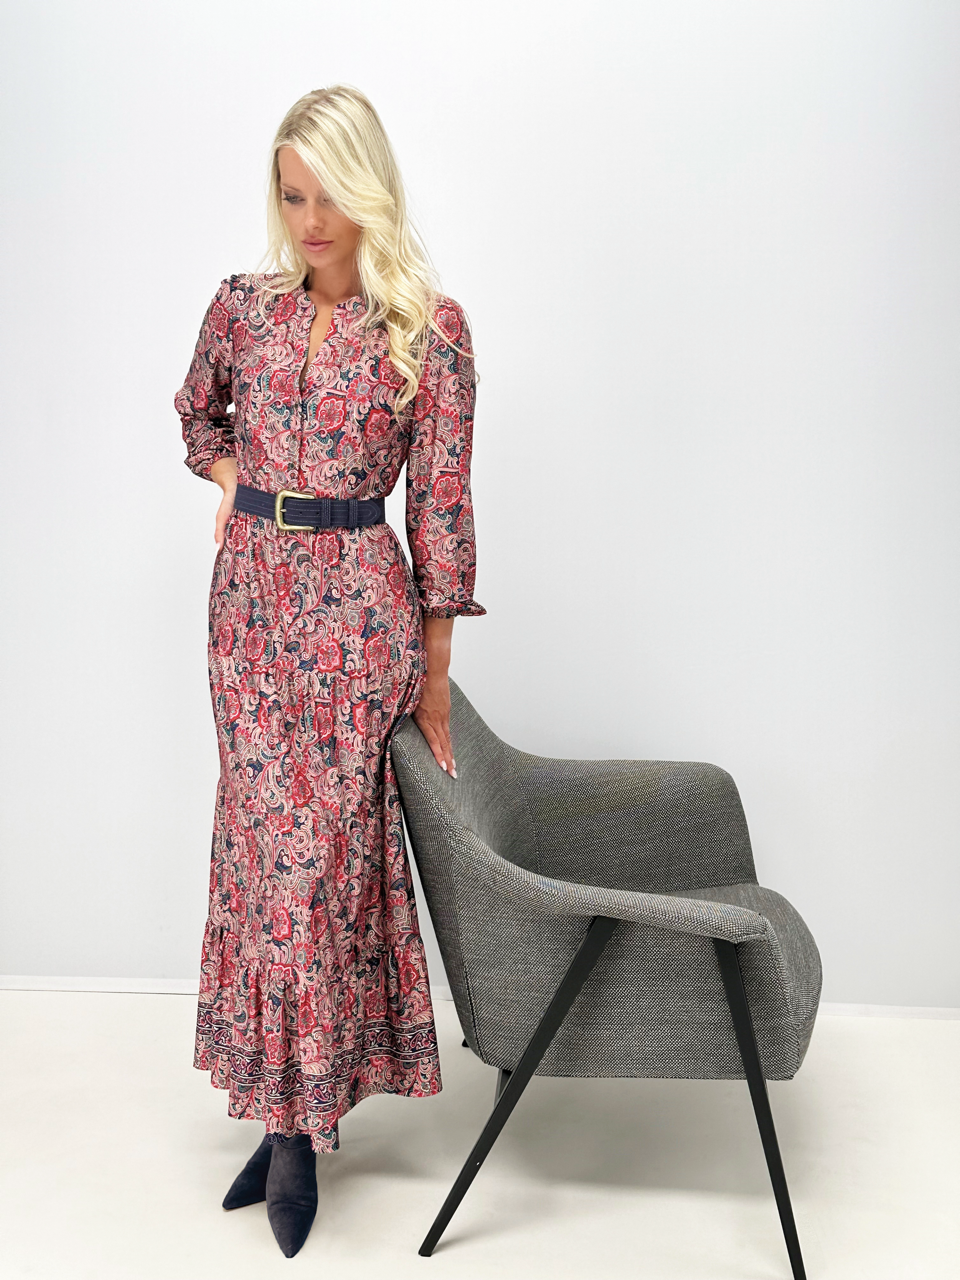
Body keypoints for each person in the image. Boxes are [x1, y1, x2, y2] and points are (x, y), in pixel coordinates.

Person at [173, 83, 486, 1258]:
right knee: (266, 865)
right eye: (291, 195)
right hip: (250, 612)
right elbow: (197, 416)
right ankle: (282, 1113)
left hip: (359, 617)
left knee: (325, 873)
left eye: (329, 195)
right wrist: (234, 485)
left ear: (369, 191)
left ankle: (302, 1128)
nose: (309, 220)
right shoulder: (243, 307)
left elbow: (441, 506)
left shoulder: (429, 328)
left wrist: (435, 670)